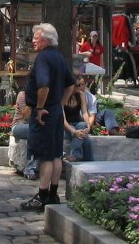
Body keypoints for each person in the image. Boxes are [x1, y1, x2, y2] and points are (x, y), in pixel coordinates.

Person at [19, 23, 76, 211]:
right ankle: (53, 193)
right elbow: (70, 84)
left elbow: (43, 85)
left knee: (45, 156)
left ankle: (42, 195)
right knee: (55, 154)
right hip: (56, 111)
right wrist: (61, 103)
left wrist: (41, 107)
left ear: (45, 39)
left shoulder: (43, 58)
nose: (33, 41)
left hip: (44, 112)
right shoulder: (59, 57)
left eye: (36, 38)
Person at [7, 73, 38, 179]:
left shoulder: (42, 95)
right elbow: (26, 117)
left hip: (34, 126)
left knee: (38, 132)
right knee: (34, 132)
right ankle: (29, 169)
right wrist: (33, 102)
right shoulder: (22, 95)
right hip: (19, 126)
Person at [62, 77, 94, 161]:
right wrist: (73, 131)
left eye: (80, 85)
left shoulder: (80, 95)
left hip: (79, 125)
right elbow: (63, 119)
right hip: (66, 127)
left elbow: (84, 112)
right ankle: (89, 161)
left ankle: (75, 156)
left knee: (82, 126)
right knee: (86, 139)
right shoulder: (62, 97)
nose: (79, 87)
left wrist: (88, 125)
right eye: (77, 85)